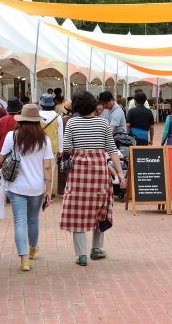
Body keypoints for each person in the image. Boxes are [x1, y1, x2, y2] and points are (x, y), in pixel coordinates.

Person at [60, 91, 125, 266]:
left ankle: (81, 255)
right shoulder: (103, 123)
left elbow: (66, 148)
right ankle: (96, 249)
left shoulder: (72, 123)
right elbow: (112, 150)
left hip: (78, 174)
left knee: (77, 211)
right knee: (100, 209)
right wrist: (119, 174)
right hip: (99, 173)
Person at [0, 104, 54, 271]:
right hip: (37, 187)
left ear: (21, 120)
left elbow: (1, 159)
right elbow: (47, 167)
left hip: (16, 186)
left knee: (19, 222)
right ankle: (32, 249)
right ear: (38, 121)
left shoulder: (12, 136)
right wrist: (49, 190)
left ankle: (24, 260)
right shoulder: (45, 139)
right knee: (33, 219)